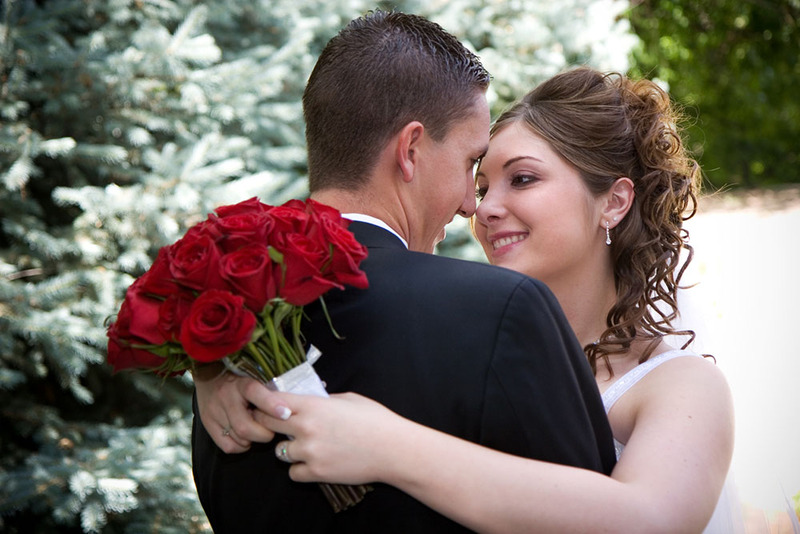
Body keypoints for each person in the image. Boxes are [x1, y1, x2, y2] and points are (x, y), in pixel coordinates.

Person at [242, 67, 741, 533]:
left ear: (613, 202)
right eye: (481, 185)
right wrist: (220, 371)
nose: (484, 209)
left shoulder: (682, 385)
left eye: (522, 179)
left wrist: (386, 446)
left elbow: (650, 518)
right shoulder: (465, 343)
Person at [191, 12, 616, 533]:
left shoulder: (220, 333)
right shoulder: (502, 310)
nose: (469, 206)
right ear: (410, 151)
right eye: (469, 164)